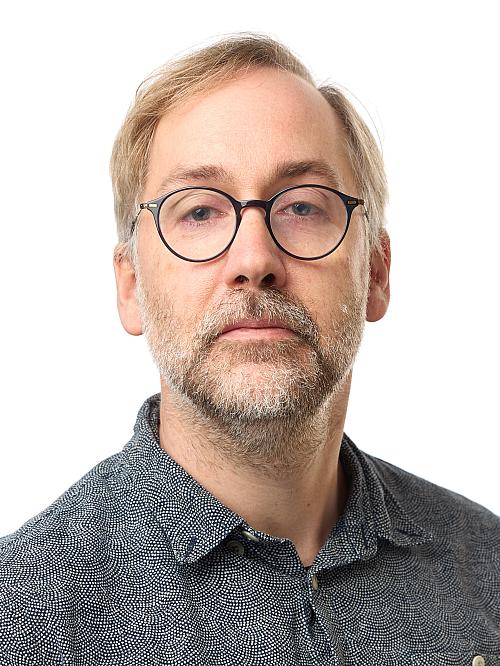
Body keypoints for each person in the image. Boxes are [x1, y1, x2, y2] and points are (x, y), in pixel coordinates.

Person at [0, 33, 498, 666]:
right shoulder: (20, 618)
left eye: (302, 207)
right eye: (199, 212)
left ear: (376, 271)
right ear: (131, 287)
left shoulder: (484, 564)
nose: (255, 258)